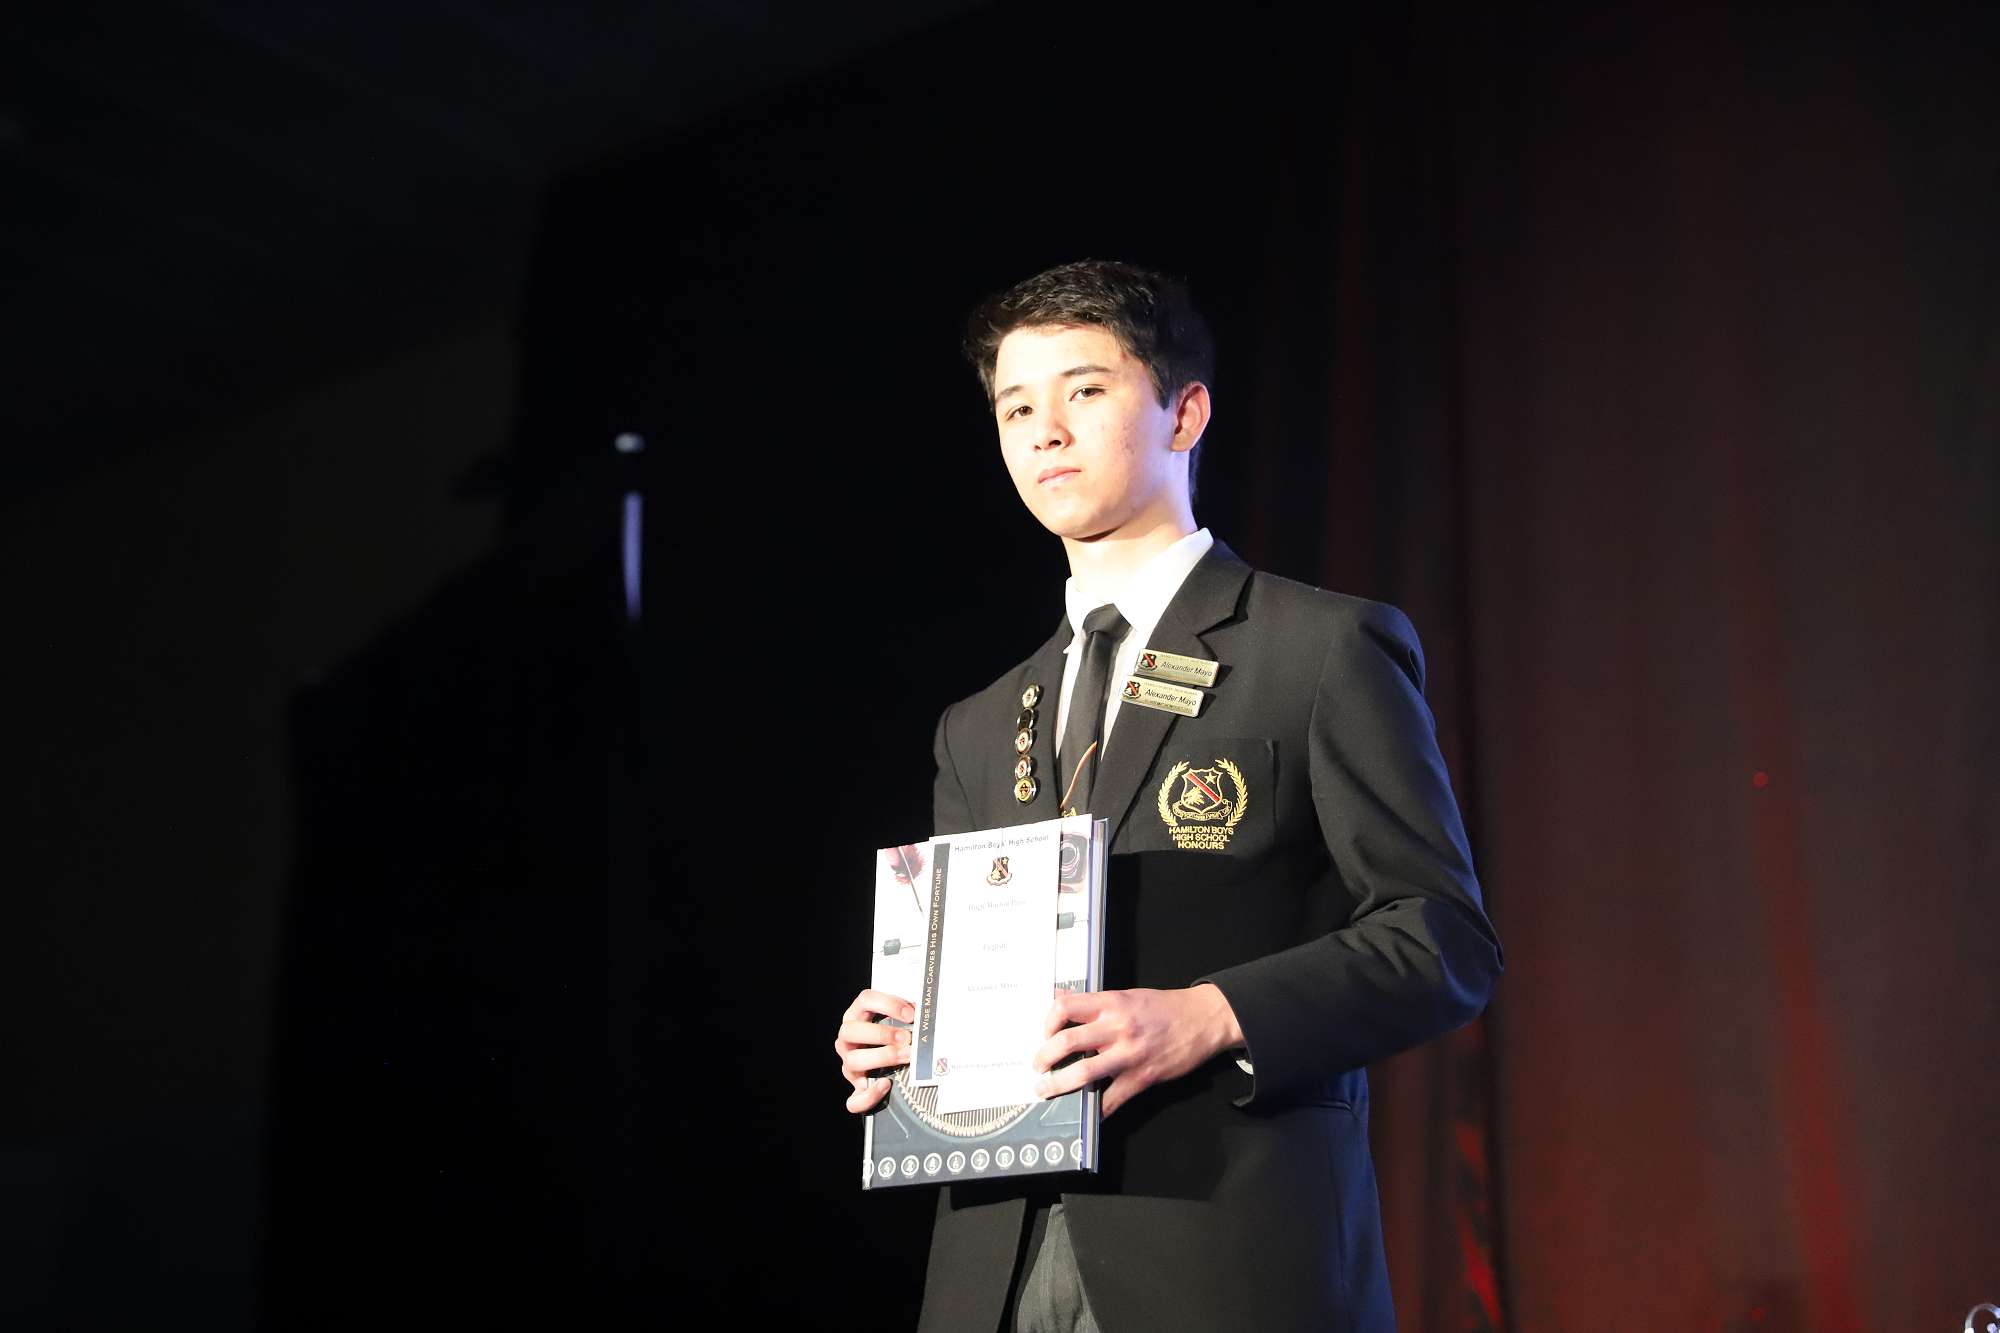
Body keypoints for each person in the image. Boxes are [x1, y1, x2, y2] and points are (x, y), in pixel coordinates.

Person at [833, 259, 1502, 1331]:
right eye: (1015, 408)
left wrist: (1208, 1015)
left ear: (1184, 413)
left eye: (1084, 391)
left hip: (1228, 1256)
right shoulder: (978, 723)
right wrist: (900, 1031)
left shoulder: (1318, 650)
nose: (1045, 432)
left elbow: (1442, 940)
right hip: (992, 1265)